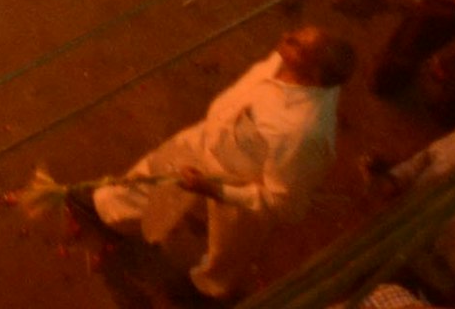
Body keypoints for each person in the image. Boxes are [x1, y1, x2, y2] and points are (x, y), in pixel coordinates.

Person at [84, 28, 354, 299]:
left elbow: (284, 203)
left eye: (298, 45)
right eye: (295, 34)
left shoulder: (305, 133)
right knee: (155, 173)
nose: (285, 36)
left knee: (231, 246)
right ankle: (109, 208)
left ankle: (208, 288)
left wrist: (217, 191)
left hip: (240, 186)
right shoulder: (285, 61)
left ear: (316, 76)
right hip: (210, 139)